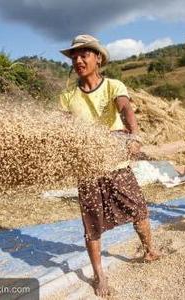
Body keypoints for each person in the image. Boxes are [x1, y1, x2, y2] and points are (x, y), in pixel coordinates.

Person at [59, 34, 160, 297]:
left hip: (116, 162)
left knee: (137, 208)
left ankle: (149, 249)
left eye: (84, 55)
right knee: (92, 223)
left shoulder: (113, 85)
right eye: (75, 56)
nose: (79, 60)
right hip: (88, 168)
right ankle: (99, 275)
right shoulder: (68, 96)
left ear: (98, 58)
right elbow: (63, 127)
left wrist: (133, 134)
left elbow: (125, 108)